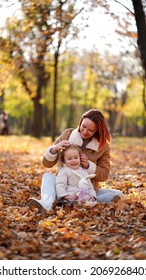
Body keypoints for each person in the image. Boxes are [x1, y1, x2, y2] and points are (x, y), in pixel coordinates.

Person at [28, 109, 123, 212]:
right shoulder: (67, 135)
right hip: (63, 187)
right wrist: (54, 148)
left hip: (86, 189)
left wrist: (88, 166)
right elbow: (46, 163)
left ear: (97, 131)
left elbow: (104, 175)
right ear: (81, 122)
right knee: (47, 177)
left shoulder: (103, 146)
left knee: (118, 194)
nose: (85, 132)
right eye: (84, 126)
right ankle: (47, 203)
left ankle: (83, 201)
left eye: (91, 130)